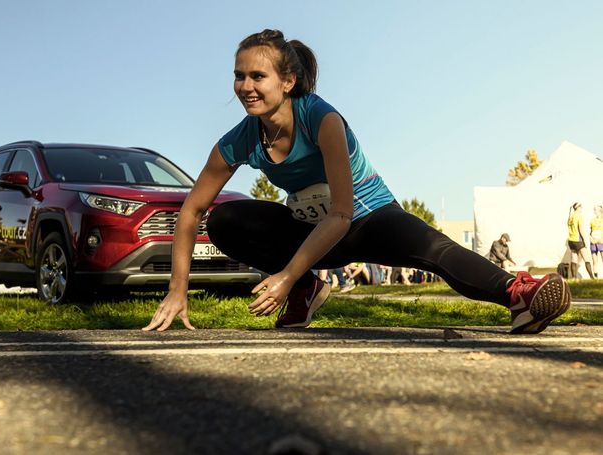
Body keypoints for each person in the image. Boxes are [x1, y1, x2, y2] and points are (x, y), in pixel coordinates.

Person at [143, 29, 571, 334]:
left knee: (433, 248)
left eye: (258, 77)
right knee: (225, 219)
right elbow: (192, 210)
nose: (245, 86)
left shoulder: (321, 118)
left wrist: (287, 275)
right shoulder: (240, 139)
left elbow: (342, 213)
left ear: (287, 81)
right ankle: (310, 288)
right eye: (239, 76)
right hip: (313, 231)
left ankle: (519, 295)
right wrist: (177, 290)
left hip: (368, 217)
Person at [567, 202, 595, 279]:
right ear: (578, 207)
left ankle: (574, 278)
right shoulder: (579, 216)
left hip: (571, 241)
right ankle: (592, 277)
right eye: (581, 206)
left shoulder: (570, 217)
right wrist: (585, 241)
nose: (582, 208)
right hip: (578, 240)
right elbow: (581, 229)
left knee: (574, 258)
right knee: (587, 258)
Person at [590, 205, 603, 278]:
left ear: (600, 211)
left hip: (601, 242)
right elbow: (589, 231)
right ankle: (595, 277)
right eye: (594, 210)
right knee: (594, 261)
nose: (595, 211)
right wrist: (591, 239)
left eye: (596, 210)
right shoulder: (592, 220)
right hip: (593, 243)